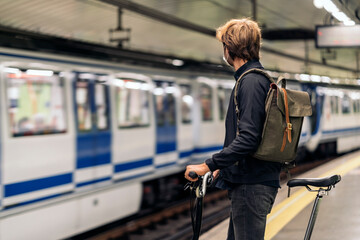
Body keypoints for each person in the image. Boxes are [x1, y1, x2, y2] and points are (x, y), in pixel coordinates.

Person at [184, 18, 281, 240]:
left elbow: (248, 139)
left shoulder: (250, 82)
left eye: (224, 46)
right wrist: (224, 168)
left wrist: (208, 165)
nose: (224, 51)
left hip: (252, 186)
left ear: (231, 48)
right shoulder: (253, 79)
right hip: (249, 182)